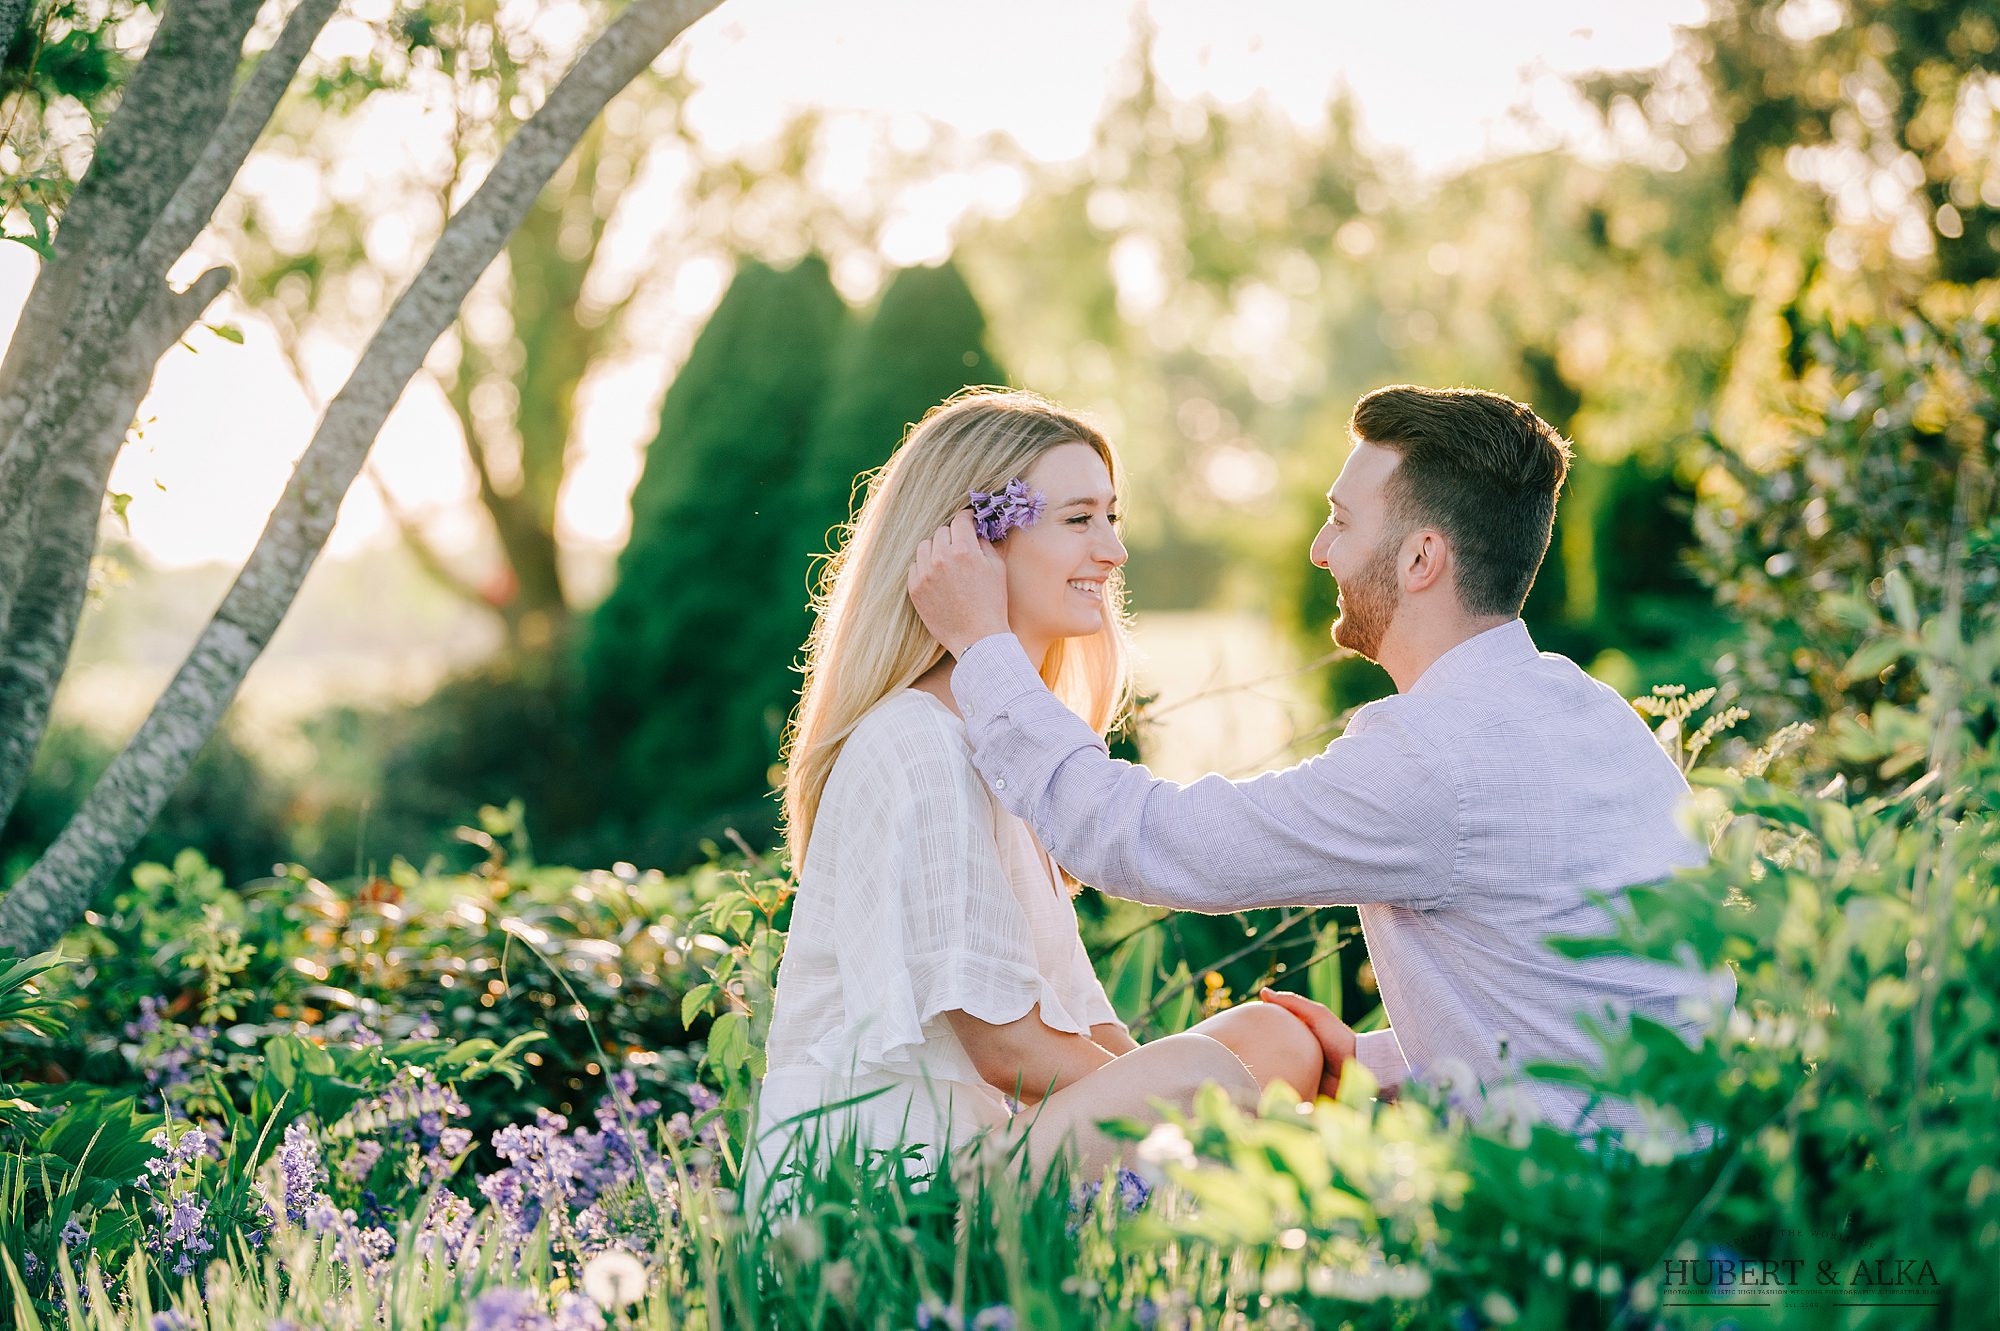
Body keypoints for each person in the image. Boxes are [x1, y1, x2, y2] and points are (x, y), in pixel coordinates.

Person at [906, 384, 1736, 1135]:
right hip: (1691, 1194)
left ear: (1420, 559)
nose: (1318, 549)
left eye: (1341, 520)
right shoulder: (1590, 713)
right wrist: (1381, 1063)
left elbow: (1148, 840)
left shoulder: (1431, 758)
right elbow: (1596, 1018)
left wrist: (983, 647)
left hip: (1585, 1246)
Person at [750, 388, 1321, 1202]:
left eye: (1112, 517)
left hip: (998, 1148)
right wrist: (1209, 1121)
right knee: (1203, 1076)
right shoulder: (918, 740)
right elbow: (1008, 1047)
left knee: (1270, 1038)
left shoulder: (997, 751)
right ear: (968, 546)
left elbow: (1087, 1029)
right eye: (1080, 519)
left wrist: (1209, 1107)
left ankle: (1243, 1201)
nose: (1116, 551)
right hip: (890, 1187)